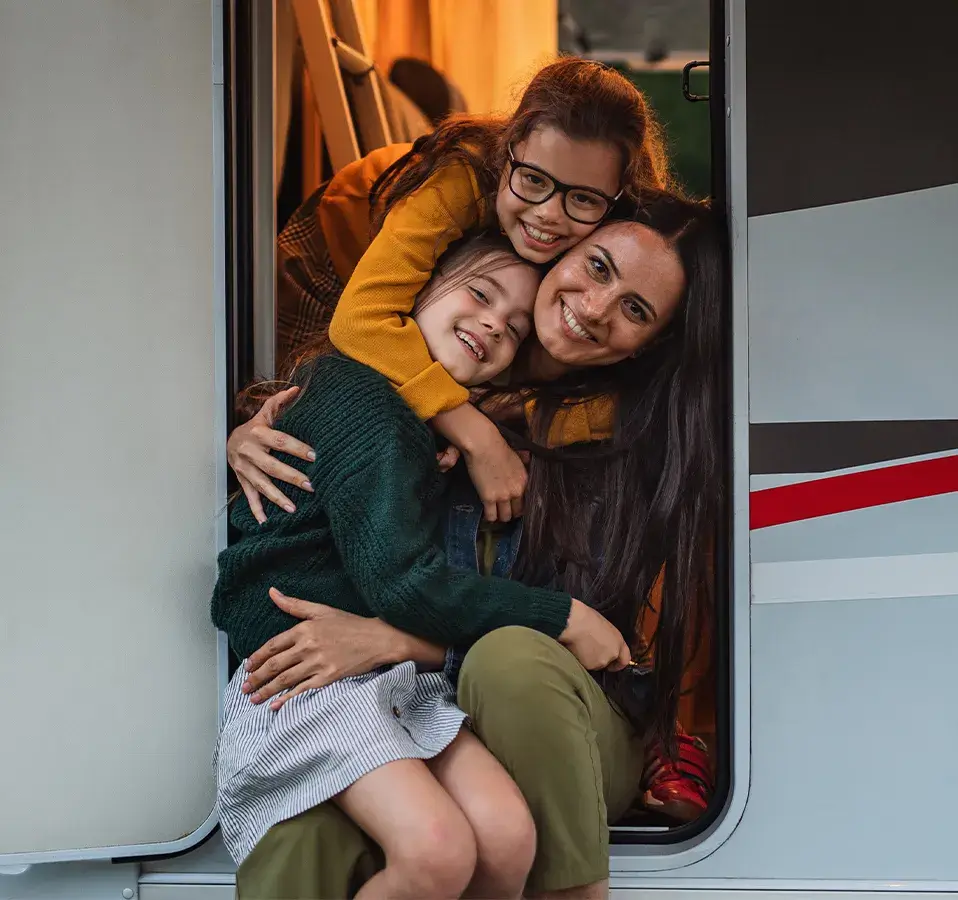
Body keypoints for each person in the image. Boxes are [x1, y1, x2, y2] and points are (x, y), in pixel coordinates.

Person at [228, 192, 726, 899]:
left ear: (655, 343)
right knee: (317, 829)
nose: (594, 306)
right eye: (596, 267)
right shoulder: (445, 386)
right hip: (405, 696)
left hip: (554, 717)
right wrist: (247, 436)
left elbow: (610, 653)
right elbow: (336, 423)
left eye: (636, 310)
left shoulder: (634, 441)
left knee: (511, 660)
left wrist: (393, 640)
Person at [247, 56, 670, 530]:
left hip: (460, 321)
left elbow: (604, 410)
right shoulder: (464, 179)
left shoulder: (616, 254)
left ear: (615, 200)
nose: (550, 214)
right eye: (533, 180)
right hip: (341, 250)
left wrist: (493, 418)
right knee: (298, 405)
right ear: (508, 150)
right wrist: (472, 431)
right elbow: (360, 322)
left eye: (584, 198)